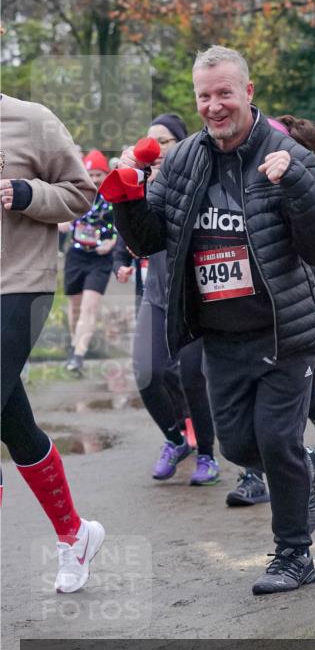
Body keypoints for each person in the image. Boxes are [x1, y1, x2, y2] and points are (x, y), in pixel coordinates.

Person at [110, 46, 315, 595]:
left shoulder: (286, 154)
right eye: (204, 96)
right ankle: (302, 464)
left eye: (224, 94)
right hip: (221, 333)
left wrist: (296, 185)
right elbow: (149, 241)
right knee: (238, 446)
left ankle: (293, 555)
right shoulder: (186, 158)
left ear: (248, 93)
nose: (214, 106)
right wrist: (126, 195)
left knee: (275, 437)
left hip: (285, 327)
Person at [0, 93, 105, 592]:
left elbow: (82, 192)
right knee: (12, 421)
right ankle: (75, 533)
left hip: (20, 284)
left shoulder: (32, 120)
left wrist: (27, 194)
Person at [225, 114, 315, 508]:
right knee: (250, 406)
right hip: (247, 313)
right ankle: (258, 470)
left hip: (298, 305)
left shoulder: (306, 182)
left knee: (288, 404)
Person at [117, 114, 222, 486]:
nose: (156, 149)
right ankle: (176, 440)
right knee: (148, 374)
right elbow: (129, 229)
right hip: (156, 295)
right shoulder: (141, 182)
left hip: (196, 299)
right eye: (151, 141)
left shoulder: (199, 178)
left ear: (182, 144)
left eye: (164, 141)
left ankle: (207, 453)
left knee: (193, 378)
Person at [62, 149, 116, 376]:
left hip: (100, 258)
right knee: (75, 308)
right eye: (91, 174)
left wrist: (113, 243)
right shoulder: (77, 193)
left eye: (99, 175)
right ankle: (75, 346)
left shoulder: (113, 196)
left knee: (89, 307)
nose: (94, 179)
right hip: (76, 256)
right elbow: (61, 216)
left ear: (105, 175)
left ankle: (78, 356)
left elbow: (124, 226)